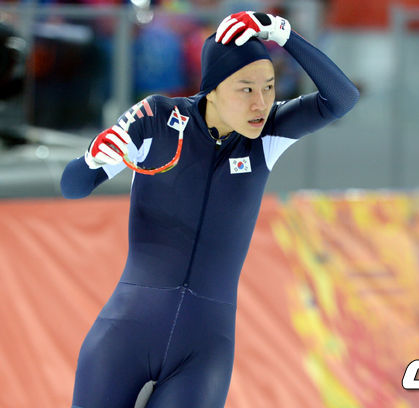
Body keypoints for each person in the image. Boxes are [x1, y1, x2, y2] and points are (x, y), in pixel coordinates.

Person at [61, 11, 359, 408]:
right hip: (126, 335)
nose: (261, 103)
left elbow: (342, 98)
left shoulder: (267, 134)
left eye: (269, 87)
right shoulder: (157, 120)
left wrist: (283, 34)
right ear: (212, 90)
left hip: (202, 353)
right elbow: (74, 187)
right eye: (246, 89)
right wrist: (92, 160)